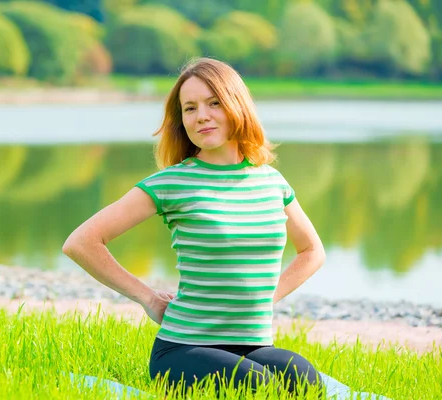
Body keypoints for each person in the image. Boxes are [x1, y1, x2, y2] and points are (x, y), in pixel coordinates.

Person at [62, 57, 326, 397]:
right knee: (260, 388)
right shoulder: (173, 182)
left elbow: (312, 251)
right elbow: (82, 242)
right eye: (190, 108)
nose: (201, 115)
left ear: (237, 105)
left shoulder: (271, 182)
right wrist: (148, 298)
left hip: (252, 345)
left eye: (213, 103)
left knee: (307, 383)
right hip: (184, 349)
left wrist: (267, 296)